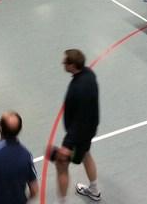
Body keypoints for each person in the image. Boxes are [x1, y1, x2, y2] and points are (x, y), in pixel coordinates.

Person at [53, 49, 100, 203]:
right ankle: (94, 190)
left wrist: (67, 145)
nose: (63, 63)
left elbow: (80, 119)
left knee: (61, 165)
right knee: (86, 153)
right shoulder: (89, 74)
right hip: (89, 128)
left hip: (78, 134)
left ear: (72, 65)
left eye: (65, 61)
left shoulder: (77, 88)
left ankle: (62, 201)